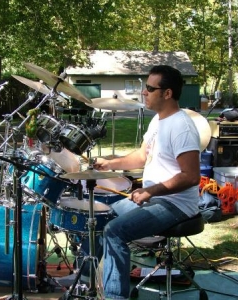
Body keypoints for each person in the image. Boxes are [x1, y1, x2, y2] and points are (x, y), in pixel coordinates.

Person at [92, 65, 201, 299]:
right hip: (157, 198)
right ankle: (94, 280)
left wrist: (151, 191)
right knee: (101, 216)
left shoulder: (181, 126)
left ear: (167, 93)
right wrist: (110, 163)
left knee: (114, 231)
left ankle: (114, 296)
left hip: (176, 204)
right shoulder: (157, 122)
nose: (144, 92)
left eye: (150, 89)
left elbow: (191, 176)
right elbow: (142, 156)